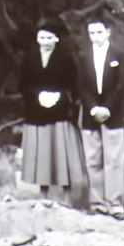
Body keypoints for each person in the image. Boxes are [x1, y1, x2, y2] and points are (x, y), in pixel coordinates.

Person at [17, 21, 85, 203]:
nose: (45, 41)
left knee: (62, 153)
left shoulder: (66, 58)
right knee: (42, 155)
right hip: (37, 112)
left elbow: (73, 84)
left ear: (56, 39)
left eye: (48, 38)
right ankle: (43, 195)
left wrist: (60, 97)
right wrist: (37, 96)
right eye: (41, 37)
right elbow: (23, 84)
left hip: (60, 113)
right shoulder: (29, 58)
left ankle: (66, 196)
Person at [76, 18, 124, 218]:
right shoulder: (83, 57)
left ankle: (115, 204)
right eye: (91, 33)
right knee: (93, 160)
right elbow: (81, 86)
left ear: (108, 31)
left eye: (99, 32)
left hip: (113, 113)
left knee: (114, 160)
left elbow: (122, 84)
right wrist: (93, 109)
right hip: (91, 114)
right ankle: (97, 203)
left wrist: (107, 108)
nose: (95, 37)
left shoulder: (120, 55)